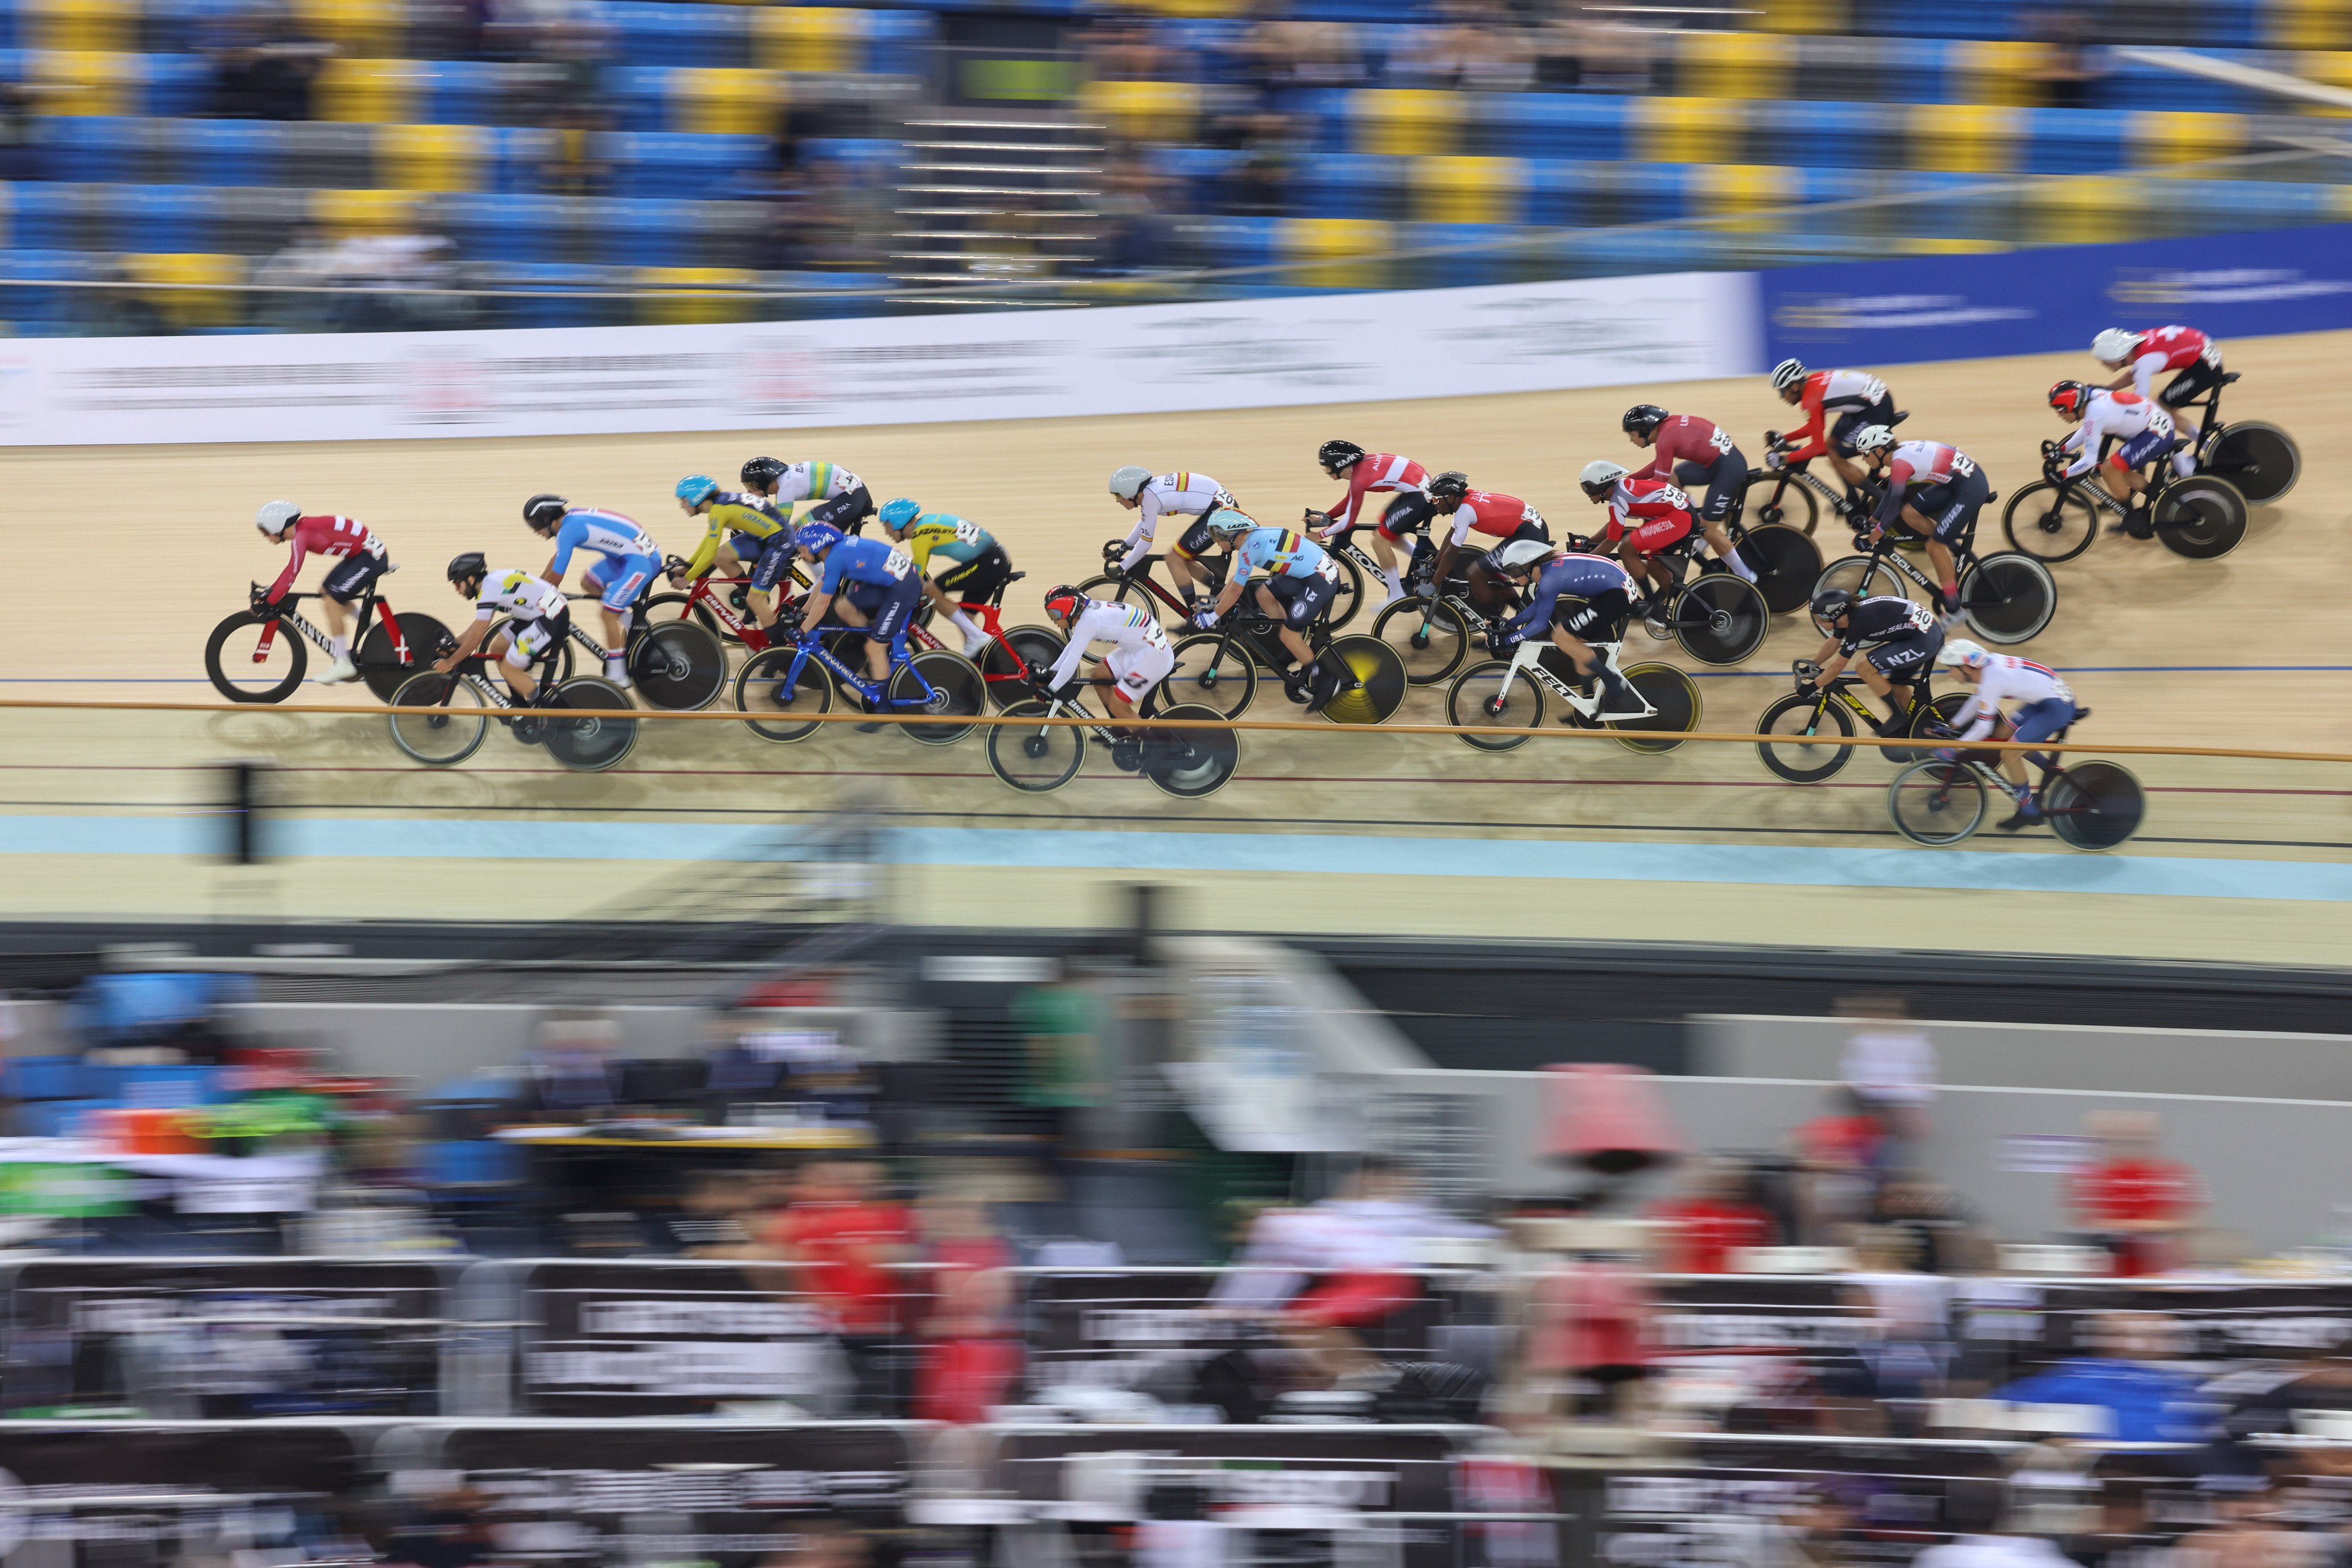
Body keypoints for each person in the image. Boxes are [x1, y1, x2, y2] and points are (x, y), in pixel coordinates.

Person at [1934, 639, 2080, 832]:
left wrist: (1954, 748)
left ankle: (2027, 809)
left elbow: (1983, 727)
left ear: (1966, 668)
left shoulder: (1992, 678)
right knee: (2003, 735)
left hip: (2056, 708)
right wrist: (1952, 725)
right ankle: (2050, 770)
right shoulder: (1987, 668)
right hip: (2046, 700)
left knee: (2008, 753)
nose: (1949, 673)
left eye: (1951, 668)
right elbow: (1978, 699)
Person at [1486, 539, 1644, 715]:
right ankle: (1588, 702)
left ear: (1528, 565)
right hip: (1616, 589)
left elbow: (1539, 624)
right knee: (1575, 644)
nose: (1513, 577)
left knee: (1561, 636)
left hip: (1617, 595)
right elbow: (1537, 608)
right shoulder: (1548, 570)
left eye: (1513, 571)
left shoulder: (1549, 579)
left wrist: (1508, 640)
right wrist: (1508, 623)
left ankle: (1614, 682)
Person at [1198, 509, 1341, 701]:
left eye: (1217, 536)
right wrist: (1216, 603)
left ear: (1231, 534)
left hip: (1321, 579)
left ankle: (1326, 679)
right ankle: (1293, 643)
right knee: (1264, 595)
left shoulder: (1251, 547)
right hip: (1310, 570)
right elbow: (1236, 580)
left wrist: (1212, 616)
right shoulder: (1251, 541)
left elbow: (1236, 591)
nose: (1215, 541)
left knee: (1287, 634)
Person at [524, 493, 659, 688]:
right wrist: (539, 585)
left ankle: (618, 673)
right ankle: (630, 622)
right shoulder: (569, 522)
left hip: (641, 562)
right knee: (590, 582)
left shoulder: (568, 530)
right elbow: (558, 559)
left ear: (547, 519)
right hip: (625, 557)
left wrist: (539, 596)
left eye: (535, 526)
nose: (536, 531)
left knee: (607, 614)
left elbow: (557, 576)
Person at [1853, 426, 1990, 615]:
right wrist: (1872, 520)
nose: (1863, 459)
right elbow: (1892, 494)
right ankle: (1956, 548)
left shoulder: (1900, 463)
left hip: (1970, 489)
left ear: (1878, 451)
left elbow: (1893, 506)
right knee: (1909, 513)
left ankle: (1954, 609)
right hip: (1959, 482)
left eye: (1865, 454)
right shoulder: (1900, 454)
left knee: (1934, 547)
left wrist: (1872, 538)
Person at [793, 522, 921, 721]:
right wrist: (801, 611)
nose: (801, 556)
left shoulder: (835, 557)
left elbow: (823, 603)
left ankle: (883, 706)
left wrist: (802, 630)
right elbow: (823, 586)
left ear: (818, 545)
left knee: (874, 648)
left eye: (802, 550)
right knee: (843, 606)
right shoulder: (836, 552)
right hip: (890, 583)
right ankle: (876, 644)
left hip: (903, 589)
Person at [253, 501, 391, 685]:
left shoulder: (301, 536)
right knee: (326, 592)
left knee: (333, 602)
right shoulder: (301, 531)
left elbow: (292, 574)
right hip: (362, 554)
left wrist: (270, 601)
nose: (266, 537)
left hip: (371, 558)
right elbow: (289, 570)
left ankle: (343, 663)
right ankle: (373, 628)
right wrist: (272, 592)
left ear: (277, 526)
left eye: (265, 532)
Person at [1035, 584, 1174, 767]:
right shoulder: (1087, 613)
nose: (1053, 620)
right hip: (1141, 648)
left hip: (1155, 655)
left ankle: (1158, 748)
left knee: (1119, 705)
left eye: (1054, 614)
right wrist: (1051, 672)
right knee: (1100, 676)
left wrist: (1052, 689)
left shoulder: (1088, 621)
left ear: (1069, 611)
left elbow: (1073, 661)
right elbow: (1072, 647)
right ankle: (1121, 729)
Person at [1622, 404, 1758, 585]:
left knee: (1708, 529)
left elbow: (1658, 485)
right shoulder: (1666, 430)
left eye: (1631, 434)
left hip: (1728, 469)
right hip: (1716, 462)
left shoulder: (1665, 438)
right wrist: (1629, 481)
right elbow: (1659, 466)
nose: (1631, 439)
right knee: (1675, 479)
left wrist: (1635, 498)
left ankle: (1747, 576)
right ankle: (1692, 520)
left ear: (1644, 430)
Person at [434, 553, 569, 726]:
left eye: (457, 584)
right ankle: (519, 705)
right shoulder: (490, 584)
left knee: (509, 669)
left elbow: (476, 638)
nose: (456, 589)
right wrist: (457, 643)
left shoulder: (488, 591)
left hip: (552, 617)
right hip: (537, 613)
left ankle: (551, 714)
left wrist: (452, 662)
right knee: (498, 649)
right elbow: (478, 625)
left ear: (471, 579)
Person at [2065, 1113, 2203, 1277]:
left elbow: (2193, 1222)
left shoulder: (2173, 1174)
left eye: (2135, 1140)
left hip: (2159, 1274)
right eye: (2118, 1139)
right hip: (2105, 1276)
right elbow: (2080, 1223)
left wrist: (2140, 1228)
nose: (2127, 1146)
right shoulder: (2086, 1176)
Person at [1304, 438, 1434, 603]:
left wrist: (1320, 534)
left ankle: (1396, 596)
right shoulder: (1358, 470)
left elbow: (1348, 522)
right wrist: (1326, 517)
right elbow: (1349, 501)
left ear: (1339, 464)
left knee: (1379, 540)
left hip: (1420, 496)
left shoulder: (1358, 478)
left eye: (1327, 467)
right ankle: (1426, 561)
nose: (1327, 472)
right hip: (1416, 491)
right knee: (1385, 529)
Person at [876, 497, 1008, 658]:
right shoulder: (926, 523)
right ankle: (978, 665)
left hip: (988, 562)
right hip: (994, 561)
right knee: (966, 618)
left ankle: (978, 637)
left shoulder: (920, 535)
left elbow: (917, 576)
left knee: (932, 589)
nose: (886, 533)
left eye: (887, 526)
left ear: (898, 522)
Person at [2048, 380, 2179, 538]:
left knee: (2109, 469)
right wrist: (2062, 449)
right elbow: (2087, 430)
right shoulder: (2091, 400)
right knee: (2119, 472)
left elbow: (2090, 460)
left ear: (2073, 405)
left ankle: (2131, 518)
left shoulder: (2095, 413)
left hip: (2156, 433)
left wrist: (2062, 475)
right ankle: (2162, 500)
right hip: (2154, 426)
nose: (2059, 414)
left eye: (2060, 409)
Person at [670, 473, 796, 637]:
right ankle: (754, 599)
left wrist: (688, 578)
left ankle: (779, 649)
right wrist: (689, 565)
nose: (682, 505)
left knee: (754, 599)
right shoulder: (718, 505)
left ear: (696, 498)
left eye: (684, 500)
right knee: (721, 556)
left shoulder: (718, 510)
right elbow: (709, 543)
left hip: (779, 540)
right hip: (764, 535)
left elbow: (708, 553)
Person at [1806, 587, 1942, 737]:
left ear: (1836, 615)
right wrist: (1812, 666)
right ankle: (1919, 728)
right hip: (1920, 634)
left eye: (1821, 619)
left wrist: (1813, 687)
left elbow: (1839, 666)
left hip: (1923, 640)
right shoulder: (1848, 615)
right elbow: (1833, 642)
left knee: (1864, 667)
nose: (1818, 623)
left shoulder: (1858, 622)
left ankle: (1898, 715)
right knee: (1897, 686)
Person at [1580, 459, 1693, 639]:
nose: (1588, 494)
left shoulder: (1618, 499)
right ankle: (1684, 603)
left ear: (1602, 487)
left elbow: (1612, 542)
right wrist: (1591, 541)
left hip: (1679, 518)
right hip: (1679, 514)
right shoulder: (1621, 488)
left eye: (1590, 489)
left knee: (1627, 548)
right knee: (1654, 566)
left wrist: (1585, 560)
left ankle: (1650, 604)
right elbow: (1614, 523)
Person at [1109, 465, 1238, 611]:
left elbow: (1145, 544)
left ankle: (1194, 615)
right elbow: (1145, 522)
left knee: (1174, 559)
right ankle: (1223, 594)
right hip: (1218, 506)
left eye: (1118, 496)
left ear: (1130, 492)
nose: (1117, 500)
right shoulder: (1149, 493)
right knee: (1182, 560)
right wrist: (1122, 548)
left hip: (1220, 512)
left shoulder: (1151, 498)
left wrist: (1122, 567)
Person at [2092, 325, 2220, 469]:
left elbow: (2140, 403)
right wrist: (2109, 389)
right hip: (2204, 357)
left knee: (2160, 413)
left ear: (2116, 354)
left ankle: (2185, 468)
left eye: (2104, 359)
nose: (2103, 364)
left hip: (2205, 368)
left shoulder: (2145, 360)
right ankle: (2213, 447)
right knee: (2166, 409)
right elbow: (2136, 373)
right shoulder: (2139, 346)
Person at [1768, 358, 1897, 496]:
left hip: (1876, 408)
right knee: (1831, 445)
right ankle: (1852, 498)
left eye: (1782, 392)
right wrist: (1784, 438)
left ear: (1794, 387)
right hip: (1870, 403)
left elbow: (1818, 448)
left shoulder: (1810, 401)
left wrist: (1785, 459)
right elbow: (1813, 428)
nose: (1782, 397)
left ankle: (1883, 500)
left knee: (1838, 456)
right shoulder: (1812, 383)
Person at [1422, 470, 1551, 602]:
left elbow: (1452, 553)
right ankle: (1520, 612)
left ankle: (1492, 621)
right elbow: (1450, 536)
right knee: (1489, 573)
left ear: (1450, 498)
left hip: (1529, 534)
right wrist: (1433, 565)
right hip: (1532, 528)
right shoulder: (1466, 499)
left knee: (1475, 573)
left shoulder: (1465, 511)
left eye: (1435, 499)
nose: (1434, 503)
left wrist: (1434, 584)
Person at [739, 454, 875, 535]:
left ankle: (819, 581)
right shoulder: (785, 477)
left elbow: (779, 525)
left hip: (852, 497)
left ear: (764, 482)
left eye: (751, 487)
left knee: (800, 531)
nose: (749, 492)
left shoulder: (786, 487)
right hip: (857, 492)